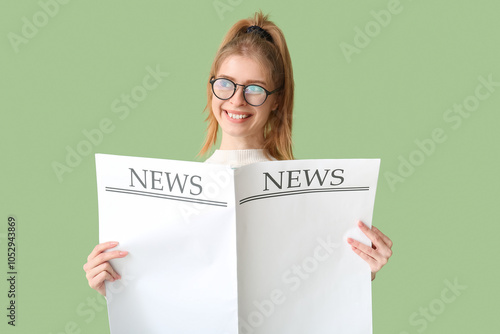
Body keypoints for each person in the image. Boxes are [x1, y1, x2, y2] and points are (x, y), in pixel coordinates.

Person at [84, 10, 393, 297]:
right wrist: (117, 286)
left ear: (276, 100)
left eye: (254, 89)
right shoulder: (171, 203)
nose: (236, 100)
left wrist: (359, 272)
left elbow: (313, 297)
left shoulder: (309, 199)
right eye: (226, 84)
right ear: (211, 87)